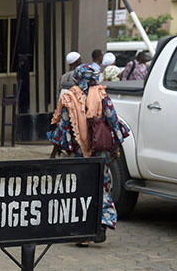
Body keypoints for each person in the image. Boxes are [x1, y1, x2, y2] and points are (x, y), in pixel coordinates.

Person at [47, 64, 130, 245]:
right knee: (102, 185)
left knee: (80, 189)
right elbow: (113, 121)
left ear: (76, 78)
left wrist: (56, 150)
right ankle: (101, 224)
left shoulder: (69, 97)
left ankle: (83, 232)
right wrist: (115, 147)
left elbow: (64, 127)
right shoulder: (101, 95)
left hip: (78, 153)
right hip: (100, 152)